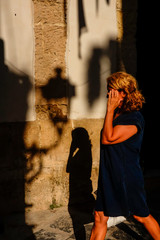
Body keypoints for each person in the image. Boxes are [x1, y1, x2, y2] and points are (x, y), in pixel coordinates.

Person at [90, 72, 160, 240]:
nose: (108, 94)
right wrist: (111, 111)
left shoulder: (133, 118)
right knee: (99, 217)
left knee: (141, 216)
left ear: (123, 92)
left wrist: (109, 109)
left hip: (126, 177)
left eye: (111, 90)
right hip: (109, 175)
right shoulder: (117, 114)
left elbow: (108, 138)